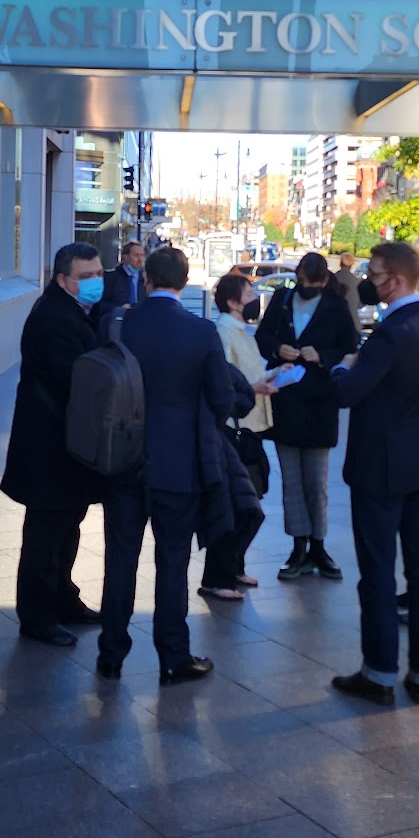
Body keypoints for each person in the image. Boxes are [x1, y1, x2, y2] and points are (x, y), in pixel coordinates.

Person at [97, 245, 246, 685]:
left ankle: (111, 653)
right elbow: (222, 398)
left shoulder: (118, 323)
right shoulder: (201, 332)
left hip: (122, 459)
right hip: (179, 463)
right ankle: (173, 656)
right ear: (184, 282)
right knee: (173, 561)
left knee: (120, 558)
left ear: (145, 279)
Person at [328, 241, 419, 706]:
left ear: (396, 280)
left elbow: (349, 393)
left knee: (378, 572)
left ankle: (379, 674)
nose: (369, 282)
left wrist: (341, 369)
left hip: (379, 469)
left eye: (375, 275)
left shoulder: (392, 333)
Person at [0, 242, 107, 646]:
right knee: (46, 536)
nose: (96, 282)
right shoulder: (53, 318)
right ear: (63, 280)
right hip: (49, 446)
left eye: (99, 273)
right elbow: (75, 378)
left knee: (67, 528)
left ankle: (64, 600)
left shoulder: (77, 310)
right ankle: (37, 616)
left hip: (67, 444)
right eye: (86, 276)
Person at [255, 251, 359, 580]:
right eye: (302, 281)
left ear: (325, 281)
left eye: (312, 283)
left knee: (316, 481)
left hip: (319, 404)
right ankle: (298, 545)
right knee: (291, 481)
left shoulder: (336, 306)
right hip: (286, 400)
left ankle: (318, 544)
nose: (306, 287)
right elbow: (263, 336)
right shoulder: (283, 300)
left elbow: (350, 346)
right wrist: (278, 349)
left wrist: (322, 356)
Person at [201, 271, 276, 599]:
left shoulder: (243, 332)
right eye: (249, 295)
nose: (254, 300)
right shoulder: (222, 333)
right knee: (236, 505)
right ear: (232, 302)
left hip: (251, 426)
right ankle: (217, 576)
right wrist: (254, 387)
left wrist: (273, 376)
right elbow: (224, 382)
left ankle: (234, 567)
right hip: (234, 428)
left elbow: (250, 372)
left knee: (250, 500)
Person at [97, 238, 146, 316]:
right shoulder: (110, 277)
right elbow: (100, 304)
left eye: (142, 255)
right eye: (136, 255)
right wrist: (119, 308)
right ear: (125, 256)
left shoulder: (146, 278)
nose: (140, 260)